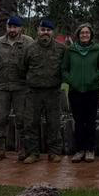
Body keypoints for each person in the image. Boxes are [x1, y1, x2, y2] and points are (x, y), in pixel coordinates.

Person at [22, 18, 66, 164]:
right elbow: (23, 68)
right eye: (42, 30)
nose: (45, 33)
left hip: (53, 92)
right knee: (31, 123)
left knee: (53, 123)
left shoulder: (61, 48)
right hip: (33, 92)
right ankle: (33, 153)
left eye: (48, 30)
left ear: (52, 32)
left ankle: (54, 152)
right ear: (38, 31)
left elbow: (65, 68)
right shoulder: (30, 48)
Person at [62, 22, 99, 163]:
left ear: (91, 34)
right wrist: (71, 81)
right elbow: (64, 69)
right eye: (82, 33)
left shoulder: (97, 49)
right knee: (79, 121)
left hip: (92, 91)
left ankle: (90, 149)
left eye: (87, 32)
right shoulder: (71, 50)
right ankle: (79, 150)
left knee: (91, 120)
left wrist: (94, 78)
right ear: (78, 35)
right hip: (75, 91)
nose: (84, 35)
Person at [0, 15, 29, 160]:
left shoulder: (28, 42)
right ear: (6, 27)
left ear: (20, 28)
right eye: (10, 27)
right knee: (1, 118)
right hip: (2, 87)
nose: (12, 30)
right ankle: (0, 148)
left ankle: (23, 148)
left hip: (21, 87)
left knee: (21, 119)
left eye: (15, 27)